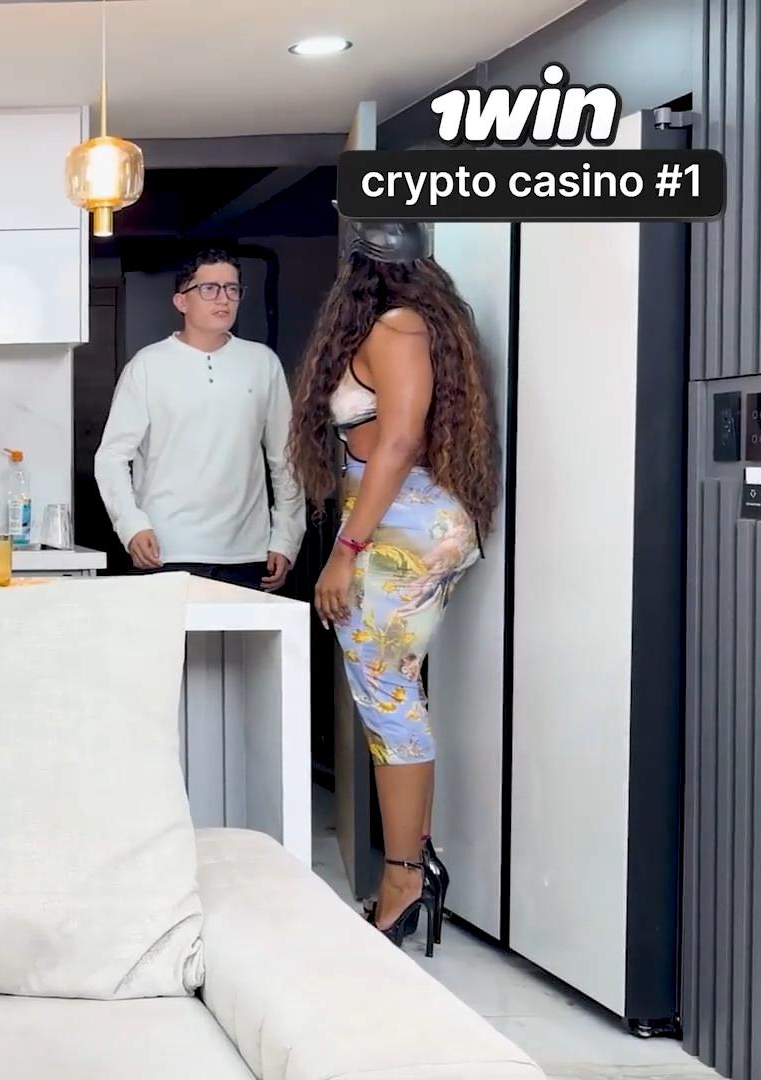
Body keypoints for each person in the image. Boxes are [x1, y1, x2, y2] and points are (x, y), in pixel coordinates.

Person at [287, 218, 499, 954]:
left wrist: (345, 550)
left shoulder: (394, 328)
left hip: (398, 529)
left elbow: (401, 439)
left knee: (388, 699)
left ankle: (405, 880)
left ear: (357, 267)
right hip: (409, 522)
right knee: (394, 694)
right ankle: (416, 863)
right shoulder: (418, 323)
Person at [94, 249, 304, 591]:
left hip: (246, 553)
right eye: (209, 289)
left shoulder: (262, 363)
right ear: (181, 301)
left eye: (232, 289)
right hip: (166, 548)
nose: (223, 298)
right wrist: (131, 525)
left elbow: (286, 458)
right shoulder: (148, 365)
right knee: (165, 631)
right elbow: (112, 457)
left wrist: (286, 537)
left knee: (244, 632)